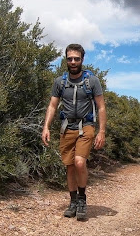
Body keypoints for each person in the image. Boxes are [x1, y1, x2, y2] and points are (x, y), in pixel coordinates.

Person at [42, 44, 106, 221]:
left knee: (79, 162)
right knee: (69, 166)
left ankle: (82, 200)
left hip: (86, 126)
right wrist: (46, 127)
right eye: (70, 58)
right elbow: (52, 105)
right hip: (66, 127)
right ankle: (73, 201)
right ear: (66, 59)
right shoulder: (59, 82)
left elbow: (101, 107)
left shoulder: (92, 81)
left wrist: (101, 132)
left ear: (82, 60)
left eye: (76, 58)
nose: (73, 62)